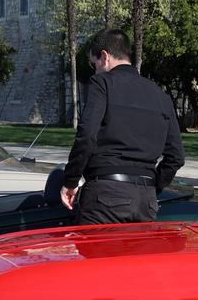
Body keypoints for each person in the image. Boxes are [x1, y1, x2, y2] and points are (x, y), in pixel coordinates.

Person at [61, 28, 184, 224]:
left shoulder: (102, 83)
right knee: (133, 256)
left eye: (94, 65)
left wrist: (71, 180)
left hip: (105, 197)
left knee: (96, 255)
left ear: (104, 56)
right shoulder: (160, 96)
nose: (95, 70)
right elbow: (176, 156)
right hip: (146, 202)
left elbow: (87, 135)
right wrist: (152, 186)